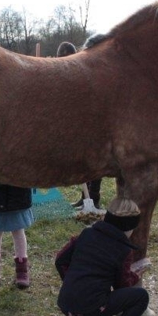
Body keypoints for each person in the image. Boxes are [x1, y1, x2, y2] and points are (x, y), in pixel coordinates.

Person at [54, 197, 149, 316]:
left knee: (87, 289)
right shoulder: (123, 250)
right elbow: (122, 286)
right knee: (141, 296)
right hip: (93, 307)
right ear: (129, 228)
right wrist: (136, 274)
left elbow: (60, 260)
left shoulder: (86, 233)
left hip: (65, 303)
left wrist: (72, 282)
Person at [55, 39, 103, 212]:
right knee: (85, 164)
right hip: (79, 125)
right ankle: (85, 198)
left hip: (93, 123)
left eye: (66, 57)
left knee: (96, 163)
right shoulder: (63, 71)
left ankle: (94, 199)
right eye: (61, 57)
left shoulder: (86, 70)